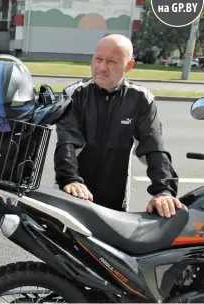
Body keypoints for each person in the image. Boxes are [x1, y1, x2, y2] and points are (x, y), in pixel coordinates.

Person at [54, 34, 183, 218]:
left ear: (128, 66)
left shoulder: (141, 99)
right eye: (98, 59)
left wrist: (164, 191)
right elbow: (67, 142)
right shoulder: (74, 94)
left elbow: (153, 147)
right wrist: (70, 179)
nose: (101, 67)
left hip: (115, 199)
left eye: (111, 61)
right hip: (73, 193)